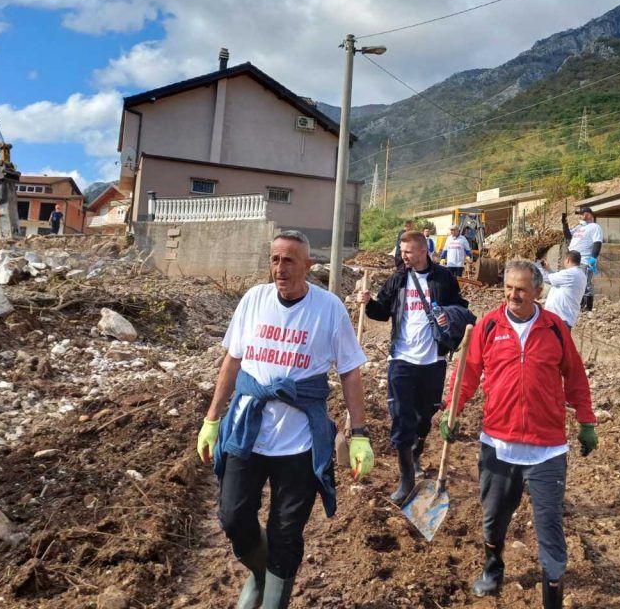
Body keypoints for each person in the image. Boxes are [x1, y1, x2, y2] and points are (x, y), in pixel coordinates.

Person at [197, 230, 374, 609]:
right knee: (233, 517)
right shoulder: (254, 300)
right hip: (248, 430)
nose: (280, 268)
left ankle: (275, 598)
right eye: (275, 259)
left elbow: (350, 371)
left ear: (308, 266)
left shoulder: (329, 309)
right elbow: (233, 359)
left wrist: (358, 434)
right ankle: (260, 572)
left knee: (287, 530)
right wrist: (212, 419)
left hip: (300, 441)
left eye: (289, 260)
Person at [441, 259, 597, 607]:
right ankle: (493, 567)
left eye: (521, 289)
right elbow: (467, 375)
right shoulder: (488, 326)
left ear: (538, 292)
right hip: (498, 444)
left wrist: (586, 422)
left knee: (550, 529)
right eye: (509, 288)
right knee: (494, 519)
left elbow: (575, 378)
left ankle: (552, 600)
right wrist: (452, 410)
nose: (513, 295)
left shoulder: (555, 328)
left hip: (547, 449)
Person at [360, 231, 473, 504]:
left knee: (425, 415)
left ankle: (417, 450)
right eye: (402, 251)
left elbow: (461, 308)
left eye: (408, 251)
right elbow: (382, 312)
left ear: (423, 251)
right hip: (401, 357)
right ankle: (406, 478)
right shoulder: (398, 278)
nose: (403, 256)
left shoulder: (443, 278)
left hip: (433, 358)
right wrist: (368, 304)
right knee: (401, 416)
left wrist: (449, 317)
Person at [561, 206, 602, 312]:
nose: (580, 216)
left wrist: (593, 258)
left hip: (584, 260)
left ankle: (588, 307)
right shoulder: (580, 227)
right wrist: (564, 224)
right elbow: (568, 236)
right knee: (575, 282)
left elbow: (597, 242)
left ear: (588, 214)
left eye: (581, 214)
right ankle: (579, 305)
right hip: (573, 260)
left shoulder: (594, 227)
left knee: (585, 283)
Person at [539, 250, 587, 329]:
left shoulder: (570, 273)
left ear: (568, 260)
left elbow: (546, 278)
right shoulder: (580, 274)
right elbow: (559, 279)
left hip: (559, 319)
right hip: (564, 319)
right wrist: (548, 269)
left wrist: (537, 266)